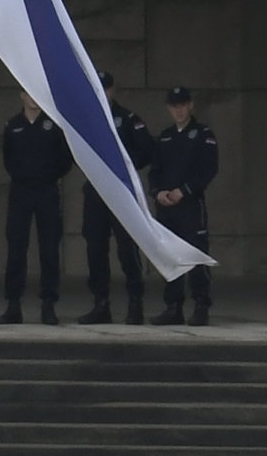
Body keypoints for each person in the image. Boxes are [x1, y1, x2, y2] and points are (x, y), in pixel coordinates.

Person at [146, 84, 218, 326]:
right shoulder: (165, 136)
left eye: (183, 105)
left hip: (190, 206)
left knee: (195, 254)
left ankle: (201, 305)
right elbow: (155, 171)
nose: (179, 110)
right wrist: (158, 192)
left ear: (190, 105)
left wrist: (184, 191)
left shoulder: (203, 134)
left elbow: (208, 169)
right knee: (169, 257)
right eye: (174, 106)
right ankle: (173, 306)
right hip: (167, 207)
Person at [82, 75, 151, 324]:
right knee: (95, 249)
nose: (102, 92)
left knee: (127, 250)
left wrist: (125, 167)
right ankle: (101, 304)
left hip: (122, 192)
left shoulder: (128, 118)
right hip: (96, 192)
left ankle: (135, 303)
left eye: (105, 88)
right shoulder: (86, 119)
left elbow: (147, 151)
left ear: (112, 90)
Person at [0, 95, 69, 324]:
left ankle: (48, 304)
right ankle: (13, 304)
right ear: (22, 95)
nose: (33, 99)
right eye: (28, 93)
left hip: (47, 191)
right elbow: (8, 159)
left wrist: (47, 176)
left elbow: (65, 159)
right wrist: (24, 177)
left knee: (49, 249)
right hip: (21, 193)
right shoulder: (13, 125)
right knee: (16, 248)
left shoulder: (54, 125)